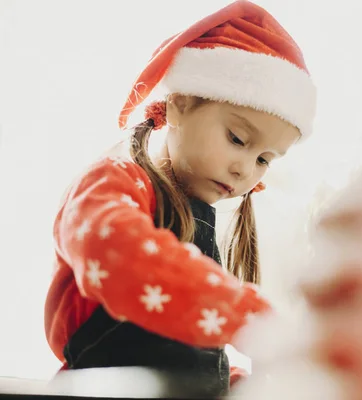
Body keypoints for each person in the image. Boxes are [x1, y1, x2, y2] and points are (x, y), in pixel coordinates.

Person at [43, 1, 317, 397]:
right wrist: (248, 317)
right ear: (180, 104)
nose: (245, 170)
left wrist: (234, 382)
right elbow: (126, 260)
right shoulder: (110, 183)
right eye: (237, 139)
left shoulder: (197, 221)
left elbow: (184, 356)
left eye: (263, 160)